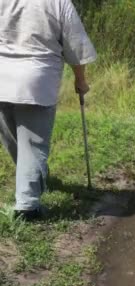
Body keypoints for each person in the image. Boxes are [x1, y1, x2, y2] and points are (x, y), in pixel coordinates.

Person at [0, 0, 97, 220]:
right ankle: (27, 207)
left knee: (13, 139)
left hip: (1, 77)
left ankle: (34, 179)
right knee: (33, 144)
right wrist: (80, 80)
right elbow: (75, 45)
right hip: (36, 80)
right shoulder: (58, 2)